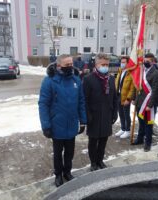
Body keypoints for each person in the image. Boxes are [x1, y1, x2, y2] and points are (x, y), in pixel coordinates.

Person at [38, 54, 87, 187]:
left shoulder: (76, 80)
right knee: (58, 153)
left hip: (71, 124)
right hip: (56, 125)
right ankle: (58, 174)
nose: (70, 67)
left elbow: (81, 101)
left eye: (71, 64)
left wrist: (83, 121)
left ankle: (67, 172)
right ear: (59, 65)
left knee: (70, 152)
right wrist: (46, 125)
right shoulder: (49, 81)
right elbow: (43, 104)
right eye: (67, 65)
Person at [83, 53, 118, 171]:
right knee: (93, 141)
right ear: (96, 64)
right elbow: (85, 99)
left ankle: (100, 160)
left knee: (103, 140)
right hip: (94, 116)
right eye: (103, 64)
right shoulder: (88, 79)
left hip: (107, 115)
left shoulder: (111, 78)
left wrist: (115, 113)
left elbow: (114, 97)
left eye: (107, 65)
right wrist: (87, 116)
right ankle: (93, 162)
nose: (105, 67)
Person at [133, 53, 158, 152]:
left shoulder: (156, 73)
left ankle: (148, 143)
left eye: (148, 61)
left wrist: (150, 105)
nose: (145, 63)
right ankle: (140, 139)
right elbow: (137, 86)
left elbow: (155, 91)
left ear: (153, 62)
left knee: (148, 125)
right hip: (139, 102)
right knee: (141, 123)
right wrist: (134, 99)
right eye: (144, 61)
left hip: (149, 104)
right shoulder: (142, 71)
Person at [114, 56, 135, 139]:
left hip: (126, 97)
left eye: (124, 62)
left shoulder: (131, 73)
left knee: (126, 114)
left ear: (128, 63)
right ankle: (122, 128)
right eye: (121, 62)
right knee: (121, 113)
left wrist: (129, 99)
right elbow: (117, 83)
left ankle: (127, 130)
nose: (122, 64)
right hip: (118, 95)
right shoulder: (120, 71)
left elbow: (132, 88)